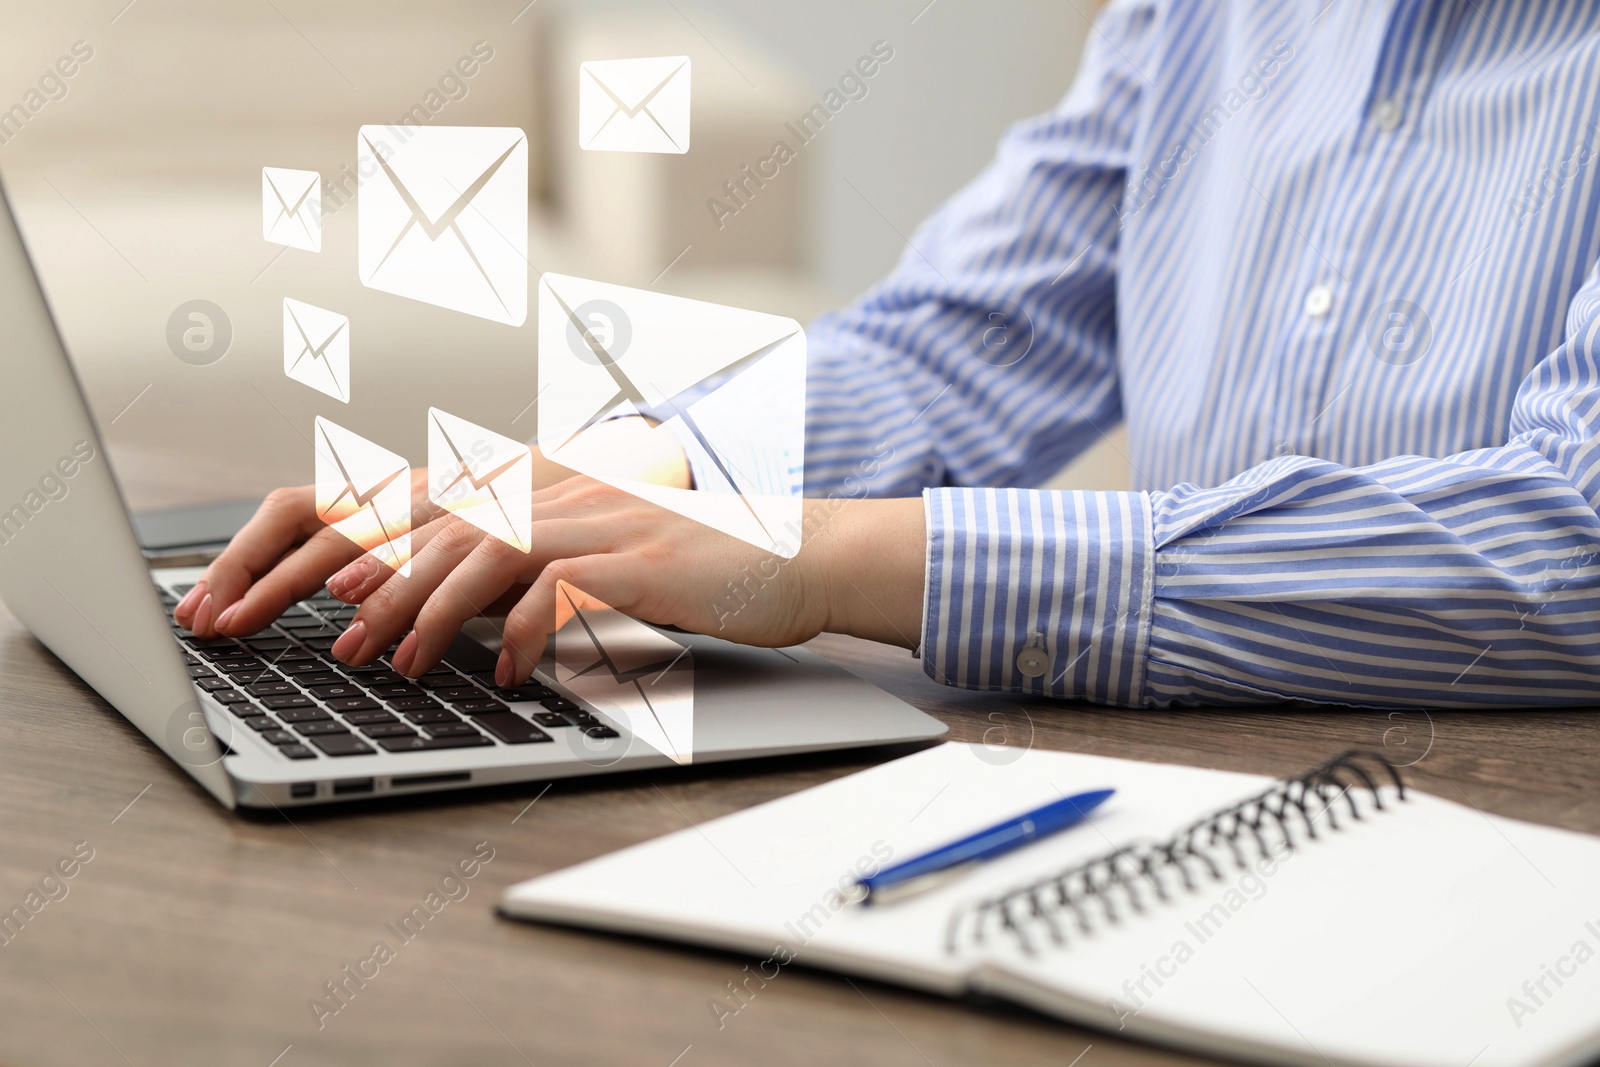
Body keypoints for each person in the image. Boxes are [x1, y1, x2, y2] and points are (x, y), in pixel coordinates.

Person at [178, 1, 1600, 709]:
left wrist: (837, 559)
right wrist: (635, 477)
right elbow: (972, 338)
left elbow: (1579, 540)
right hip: (1186, 779)